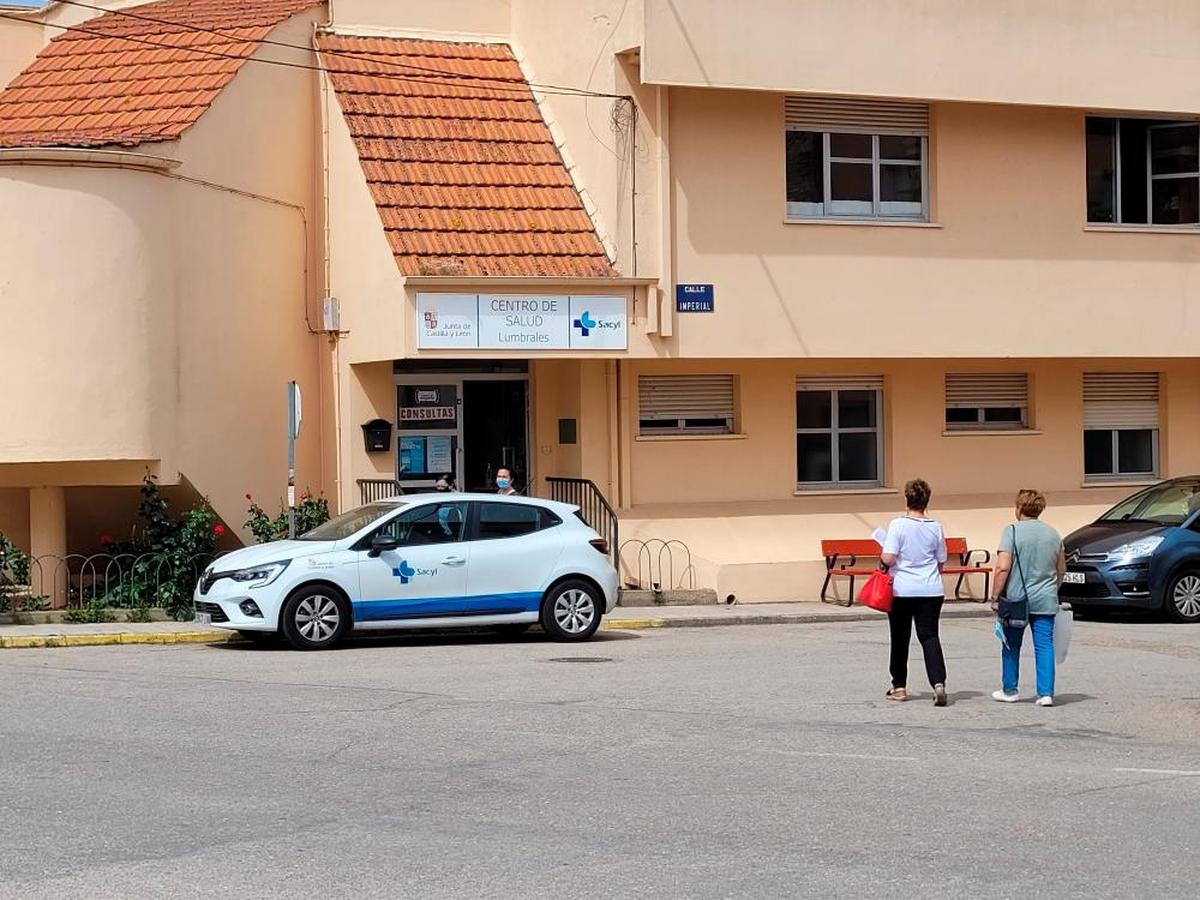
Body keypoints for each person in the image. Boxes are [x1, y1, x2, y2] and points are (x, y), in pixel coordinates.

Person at [990, 489, 1065, 707]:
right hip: (1045, 597)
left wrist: (995, 596)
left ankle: (1010, 689)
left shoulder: (1011, 531)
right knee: (1044, 644)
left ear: (1019, 508)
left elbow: (1003, 567)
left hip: (1016, 599)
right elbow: (1061, 569)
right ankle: (1046, 693)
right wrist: (1053, 588)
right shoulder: (1053, 534)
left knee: (1011, 644)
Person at [880, 479, 949, 706]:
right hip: (930, 589)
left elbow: (889, 558)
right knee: (929, 636)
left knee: (900, 638)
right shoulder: (935, 526)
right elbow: (941, 561)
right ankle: (938, 682)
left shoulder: (898, 525)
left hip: (902, 589)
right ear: (927, 501)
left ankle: (899, 686)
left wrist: (883, 556)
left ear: (907, 499)